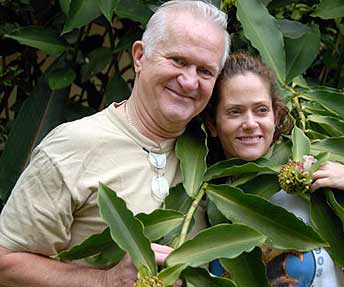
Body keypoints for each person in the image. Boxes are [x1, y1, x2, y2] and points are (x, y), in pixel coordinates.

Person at [0, 1, 230, 286]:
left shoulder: (212, 150)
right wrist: (105, 281)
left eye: (205, 71)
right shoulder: (72, 146)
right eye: (178, 61)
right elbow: (5, 263)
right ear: (139, 56)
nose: (188, 81)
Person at [203, 52, 344, 287]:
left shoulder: (313, 179)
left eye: (261, 110)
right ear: (213, 124)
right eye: (235, 111)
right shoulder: (203, 198)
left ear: (276, 116)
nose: (251, 123)